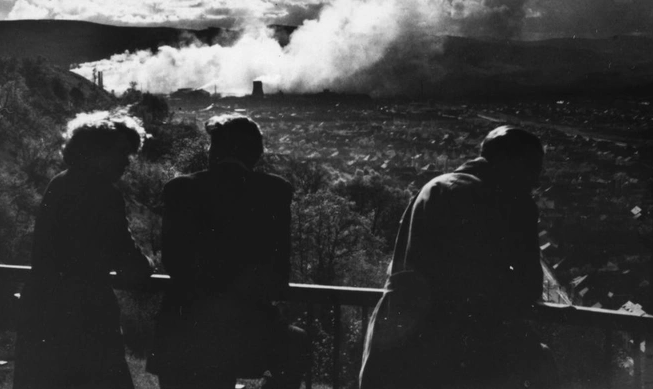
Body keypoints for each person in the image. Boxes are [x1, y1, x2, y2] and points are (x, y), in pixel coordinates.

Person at [359, 126, 558, 389]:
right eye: (533, 169)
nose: (536, 182)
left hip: (398, 340)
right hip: (463, 352)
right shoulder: (511, 200)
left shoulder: (432, 188)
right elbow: (528, 285)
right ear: (512, 163)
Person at [147, 114, 310, 389]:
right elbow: (279, 271)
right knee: (296, 342)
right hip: (246, 327)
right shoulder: (275, 190)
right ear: (256, 153)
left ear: (215, 151)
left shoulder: (180, 188)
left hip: (184, 325)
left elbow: (173, 260)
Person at [14, 110, 154, 389]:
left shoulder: (59, 182)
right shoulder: (104, 193)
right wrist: (148, 264)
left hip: (43, 311)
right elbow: (131, 263)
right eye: (121, 153)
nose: (126, 162)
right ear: (97, 152)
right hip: (86, 319)